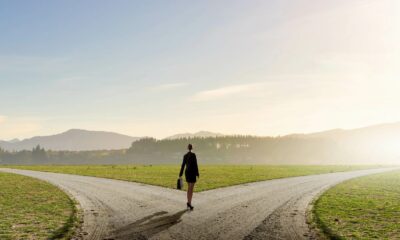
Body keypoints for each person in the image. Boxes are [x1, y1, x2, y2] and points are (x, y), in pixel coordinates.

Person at [179, 144, 199, 210]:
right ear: (192, 148)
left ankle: (188, 202)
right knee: (191, 189)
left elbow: (183, 165)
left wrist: (180, 174)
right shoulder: (193, 155)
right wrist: (197, 173)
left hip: (187, 172)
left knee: (188, 188)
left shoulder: (185, 156)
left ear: (187, 148)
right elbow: (196, 165)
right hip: (192, 173)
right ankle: (189, 203)